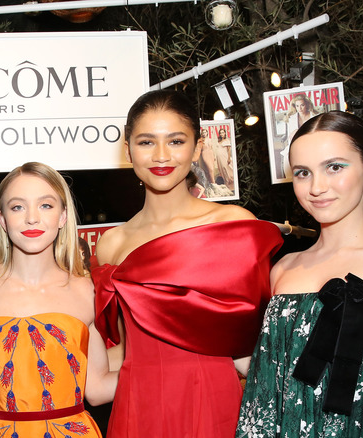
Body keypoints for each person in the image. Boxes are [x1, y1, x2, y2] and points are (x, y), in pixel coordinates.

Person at [92, 89, 283, 437]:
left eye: (176, 141)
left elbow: (250, 339)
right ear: (128, 148)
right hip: (137, 402)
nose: (161, 155)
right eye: (147, 142)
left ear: (197, 148)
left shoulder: (231, 225)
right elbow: (116, 348)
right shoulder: (110, 245)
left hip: (210, 395)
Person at [236, 111, 363, 437]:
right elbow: (269, 377)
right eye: (302, 173)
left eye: (334, 167)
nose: (317, 187)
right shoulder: (282, 268)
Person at [0, 162, 118, 438]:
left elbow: (97, 389)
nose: (31, 218)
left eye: (46, 206)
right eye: (17, 207)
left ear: (63, 216)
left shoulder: (87, 290)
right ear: (2, 219)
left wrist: (160, 364)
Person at [281, 94, 320, 179]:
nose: (300, 108)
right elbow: (290, 137)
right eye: (297, 106)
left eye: (302, 105)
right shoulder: (291, 119)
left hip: (313, 144)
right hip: (295, 144)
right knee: (287, 157)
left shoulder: (315, 116)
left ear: (306, 105)